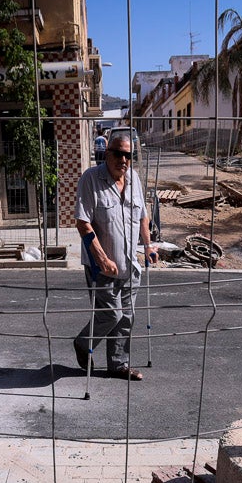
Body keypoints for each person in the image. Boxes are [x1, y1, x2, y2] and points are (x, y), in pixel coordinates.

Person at [73, 134, 158, 380]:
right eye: (118, 153)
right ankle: (82, 343)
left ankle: (119, 364)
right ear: (107, 153)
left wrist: (148, 246)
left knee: (127, 317)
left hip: (129, 263)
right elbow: (83, 223)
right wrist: (101, 258)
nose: (123, 160)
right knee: (111, 314)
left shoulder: (134, 179)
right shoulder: (91, 178)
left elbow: (142, 216)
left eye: (128, 155)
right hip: (101, 266)